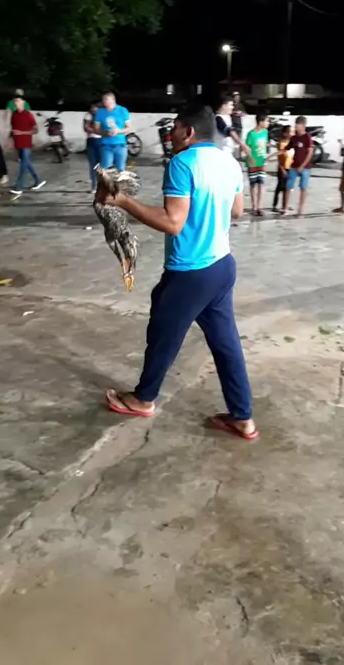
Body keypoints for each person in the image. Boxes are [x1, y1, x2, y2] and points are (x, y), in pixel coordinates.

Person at [99, 103, 258, 441]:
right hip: (221, 266)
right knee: (226, 346)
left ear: (188, 132)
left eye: (174, 128)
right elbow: (237, 211)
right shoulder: (229, 162)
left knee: (162, 338)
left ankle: (143, 399)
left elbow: (173, 222)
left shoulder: (182, 164)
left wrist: (123, 201)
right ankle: (242, 417)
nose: (170, 135)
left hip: (190, 273)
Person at [9, 96, 46, 196]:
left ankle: (19, 186)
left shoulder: (28, 115)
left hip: (26, 143)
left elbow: (35, 130)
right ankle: (37, 180)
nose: (16, 103)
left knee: (23, 165)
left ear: (23, 102)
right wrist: (10, 139)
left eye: (18, 101)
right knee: (27, 163)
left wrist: (22, 133)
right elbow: (13, 129)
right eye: (15, 101)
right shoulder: (14, 114)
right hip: (17, 143)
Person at [282, 116, 314, 217]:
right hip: (294, 165)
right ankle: (286, 207)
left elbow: (310, 153)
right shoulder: (294, 138)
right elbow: (286, 148)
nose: (296, 127)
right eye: (296, 125)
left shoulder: (307, 137)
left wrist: (302, 166)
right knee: (288, 186)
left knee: (303, 188)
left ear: (303, 126)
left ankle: (301, 210)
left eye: (298, 125)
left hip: (305, 167)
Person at [93, 92, 130, 171]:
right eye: (103, 100)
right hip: (106, 144)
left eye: (106, 99)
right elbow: (96, 129)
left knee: (120, 169)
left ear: (113, 100)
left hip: (120, 144)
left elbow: (128, 128)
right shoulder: (100, 112)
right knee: (105, 168)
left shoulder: (122, 110)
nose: (104, 102)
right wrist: (105, 133)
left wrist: (118, 131)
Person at [246, 112, 270, 216]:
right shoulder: (251, 134)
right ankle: (254, 206)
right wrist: (250, 157)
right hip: (252, 163)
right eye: (266, 121)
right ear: (260, 122)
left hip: (262, 162)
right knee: (253, 185)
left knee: (261, 184)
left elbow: (265, 144)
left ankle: (259, 207)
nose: (268, 123)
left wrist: (267, 156)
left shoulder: (265, 132)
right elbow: (246, 147)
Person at [272, 125, 293, 213]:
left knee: (287, 187)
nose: (291, 133)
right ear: (285, 133)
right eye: (289, 132)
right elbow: (279, 158)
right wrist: (282, 169)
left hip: (290, 167)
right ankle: (275, 205)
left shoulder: (292, 142)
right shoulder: (282, 143)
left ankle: (285, 204)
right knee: (280, 187)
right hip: (283, 168)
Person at [83, 103, 101, 191]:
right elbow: (86, 128)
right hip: (91, 141)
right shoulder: (88, 116)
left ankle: (102, 185)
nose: (93, 109)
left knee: (102, 165)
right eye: (92, 108)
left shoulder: (103, 115)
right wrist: (97, 131)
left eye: (95, 108)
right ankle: (94, 186)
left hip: (102, 141)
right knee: (92, 164)